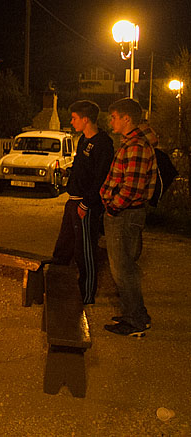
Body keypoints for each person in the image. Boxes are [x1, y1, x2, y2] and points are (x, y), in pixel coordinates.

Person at [100, 98, 158, 337]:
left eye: (114, 116)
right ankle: (136, 314)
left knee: (122, 269)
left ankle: (134, 321)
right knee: (126, 268)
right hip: (127, 214)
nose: (110, 120)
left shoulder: (135, 147)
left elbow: (132, 186)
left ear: (126, 119)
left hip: (124, 215)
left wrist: (113, 207)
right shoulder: (132, 143)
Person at [47, 100, 114, 304]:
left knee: (84, 251)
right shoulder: (83, 140)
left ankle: (86, 294)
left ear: (86, 119)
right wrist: (68, 173)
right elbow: (80, 166)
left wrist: (87, 203)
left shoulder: (103, 143)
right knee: (64, 244)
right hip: (72, 201)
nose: (71, 121)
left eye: (74, 118)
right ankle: (56, 283)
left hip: (86, 204)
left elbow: (101, 178)